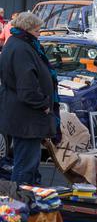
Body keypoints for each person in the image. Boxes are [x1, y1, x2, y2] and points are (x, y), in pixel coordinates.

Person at [0, 12, 58, 184]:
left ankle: (23, 201)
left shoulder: (17, 44)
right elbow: (27, 88)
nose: (39, 33)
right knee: (25, 166)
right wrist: (44, 104)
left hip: (23, 118)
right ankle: (20, 204)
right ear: (28, 29)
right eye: (38, 29)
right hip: (26, 119)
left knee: (26, 164)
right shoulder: (21, 48)